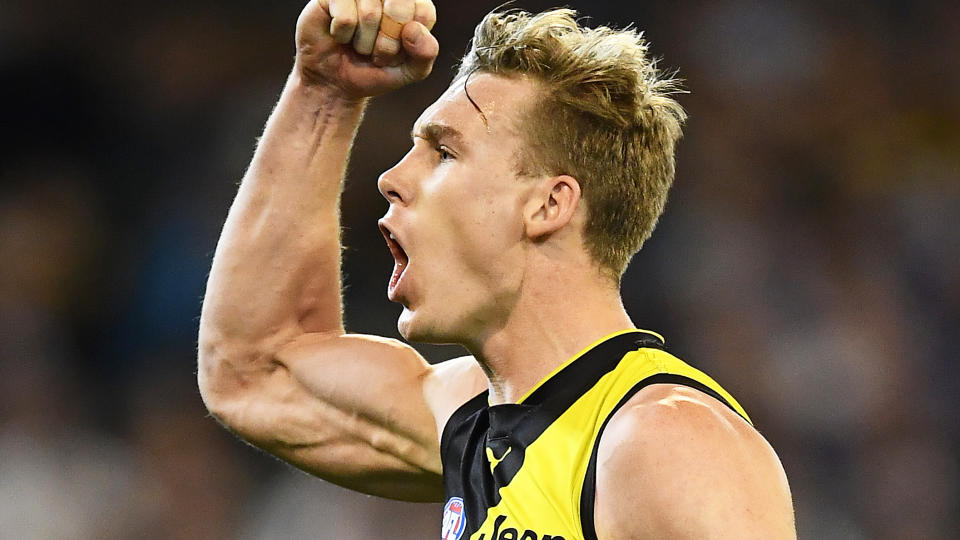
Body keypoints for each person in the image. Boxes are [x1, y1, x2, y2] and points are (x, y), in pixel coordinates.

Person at [197, 1, 796, 538]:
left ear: (548, 205)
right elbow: (253, 368)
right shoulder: (474, 419)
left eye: (445, 151)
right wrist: (324, 94)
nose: (392, 178)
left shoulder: (664, 444)